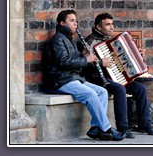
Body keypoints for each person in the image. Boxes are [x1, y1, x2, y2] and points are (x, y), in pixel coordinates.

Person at [43, 9, 126, 141]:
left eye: (76, 21)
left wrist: (87, 58)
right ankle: (107, 128)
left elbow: (77, 61)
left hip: (74, 78)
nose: (75, 24)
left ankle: (95, 128)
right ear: (62, 23)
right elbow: (63, 62)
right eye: (71, 21)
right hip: (60, 80)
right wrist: (85, 60)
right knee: (91, 94)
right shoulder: (57, 40)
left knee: (102, 92)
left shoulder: (69, 39)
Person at [82, 13, 153, 138]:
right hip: (97, 78)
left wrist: (138, 56)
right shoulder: (90, 42)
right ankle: (123, 127)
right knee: (120, 89)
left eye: (112, 24)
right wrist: (101, 63)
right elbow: (83, 65)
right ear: (98, 27)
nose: (111, 27)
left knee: (141, 88)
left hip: (116, 76)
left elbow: (122, 63)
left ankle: (145, 124)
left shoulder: (112, 41)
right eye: (107, 24)